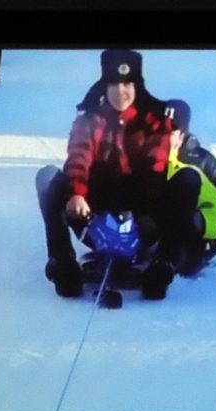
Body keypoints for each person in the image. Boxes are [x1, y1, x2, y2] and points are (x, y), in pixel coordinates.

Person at [35, 49, 172, 298]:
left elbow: (156, 169)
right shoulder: (89, 119)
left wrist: (144, 216)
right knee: (48, 177)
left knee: (181, 181)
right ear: (104, 86)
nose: (120, 92)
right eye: (114, 85)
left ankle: (163, 265)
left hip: (140, 221)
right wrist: (77, 194)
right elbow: (79, 156)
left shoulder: (154, 122)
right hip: (92, 217)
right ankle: (62, 263)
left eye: (127, 84)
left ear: (137, 86)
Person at [140, 99, 216, 299]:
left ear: (181, 135)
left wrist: (198, 223)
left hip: (191, 232)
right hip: (156, 228)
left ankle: (164, 265)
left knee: (186, 182)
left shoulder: (201, 163)